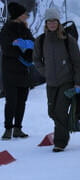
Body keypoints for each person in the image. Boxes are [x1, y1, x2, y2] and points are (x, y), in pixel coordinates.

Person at [33, 7, 80, 152]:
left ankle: (60, 142)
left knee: (60, 111)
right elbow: (36, 60)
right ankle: (68, 127)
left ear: (58, 22)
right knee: (52, 112)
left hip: (66, 81)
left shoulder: (68, 40)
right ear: (46, 23)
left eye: (54, 21)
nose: (52, 24)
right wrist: (45, 72)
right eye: (49, 21)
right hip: (51, 83)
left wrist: (78, 82)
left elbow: (77, 63)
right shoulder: (41, 40)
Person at [0, 2, 34, 139]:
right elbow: (7, 49)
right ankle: (8, 128)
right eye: (25, 14)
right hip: (10, 71)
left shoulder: (25, 29)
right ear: (18, 15)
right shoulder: (6, 29)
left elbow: (33, 43)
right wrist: (21, 50)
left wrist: (26, 49)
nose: (27, 16)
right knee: (11, 100)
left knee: (22, 100)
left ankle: (18, 128)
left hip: (24, 70)